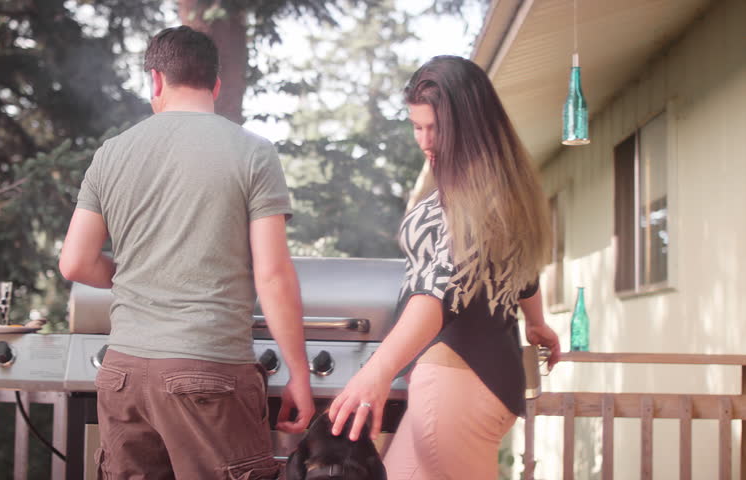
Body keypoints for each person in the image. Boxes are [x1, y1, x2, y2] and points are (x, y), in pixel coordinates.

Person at [59, 26, 313, 479]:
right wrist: (299, 373)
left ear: (155, 80)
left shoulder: (111, 154)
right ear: (216, 84)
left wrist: (141, 272)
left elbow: (75, 262)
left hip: (124, 373)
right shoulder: (252, 152)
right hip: (209, 370)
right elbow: (272, 275)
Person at [328, 55, 561, 479]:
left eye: (434, 128)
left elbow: (438, 292)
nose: (424, 141)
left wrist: (374, 374)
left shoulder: (471, 195)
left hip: (454, 386)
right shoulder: (503, 188)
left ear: (469, 124)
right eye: (417, 126)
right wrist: (537, 321)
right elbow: (522, 273)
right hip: (480, 380)